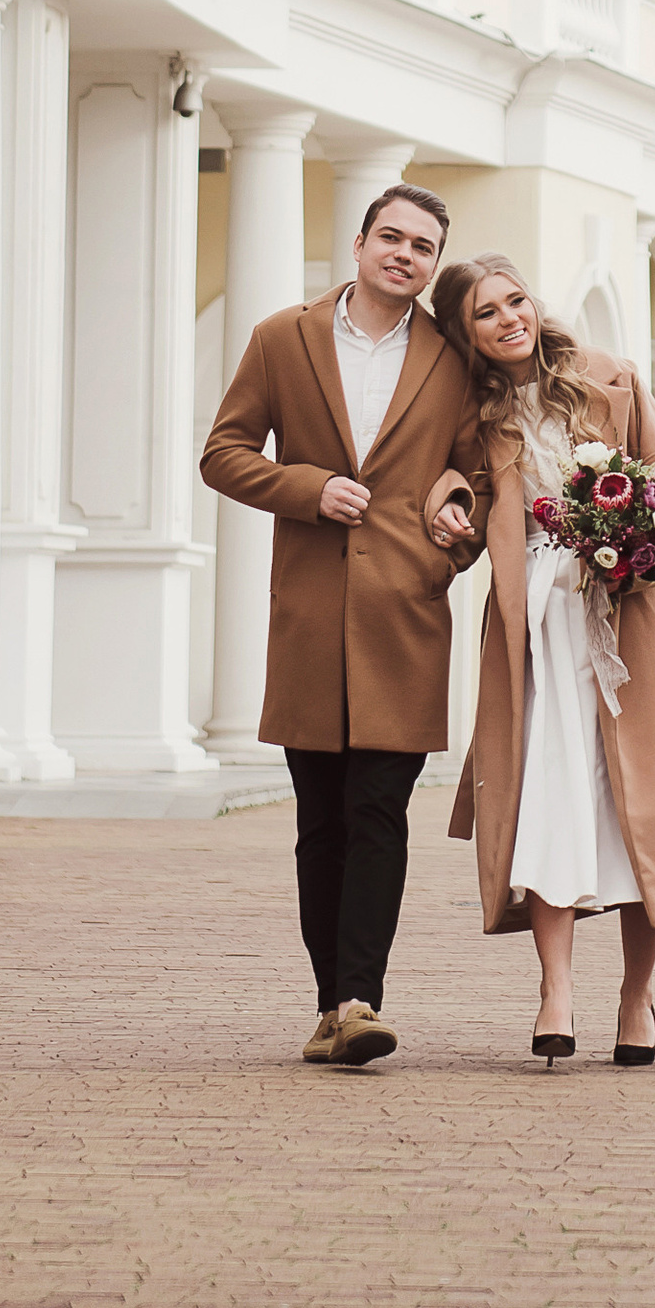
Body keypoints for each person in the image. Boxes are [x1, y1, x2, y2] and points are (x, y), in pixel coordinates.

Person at [429, 255, 655, 1066]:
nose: (509, 319)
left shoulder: (611, 376)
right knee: (549, 794)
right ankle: (554, 990)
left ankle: (635, 996)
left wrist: (636, 529)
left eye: (515, 300)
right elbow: (462, 497)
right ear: (464, 332)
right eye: (486, 312)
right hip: (538, 626)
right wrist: (447, 507)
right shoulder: (473, 412)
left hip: (635, 612)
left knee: (639, 805)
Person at [199, 183, 479, 1067]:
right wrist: (308, 488)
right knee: (320, 822)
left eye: (423, 246)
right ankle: (333, 1006)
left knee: (379, 812)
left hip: (406, 618)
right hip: (312, 620)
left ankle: (359, 999)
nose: (405, 254)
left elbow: (477, 477)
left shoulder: (454, 358)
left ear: (434, 265)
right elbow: (223, 453)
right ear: (358, 244)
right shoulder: (281, 338)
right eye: (391, 237)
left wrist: (454, 533)